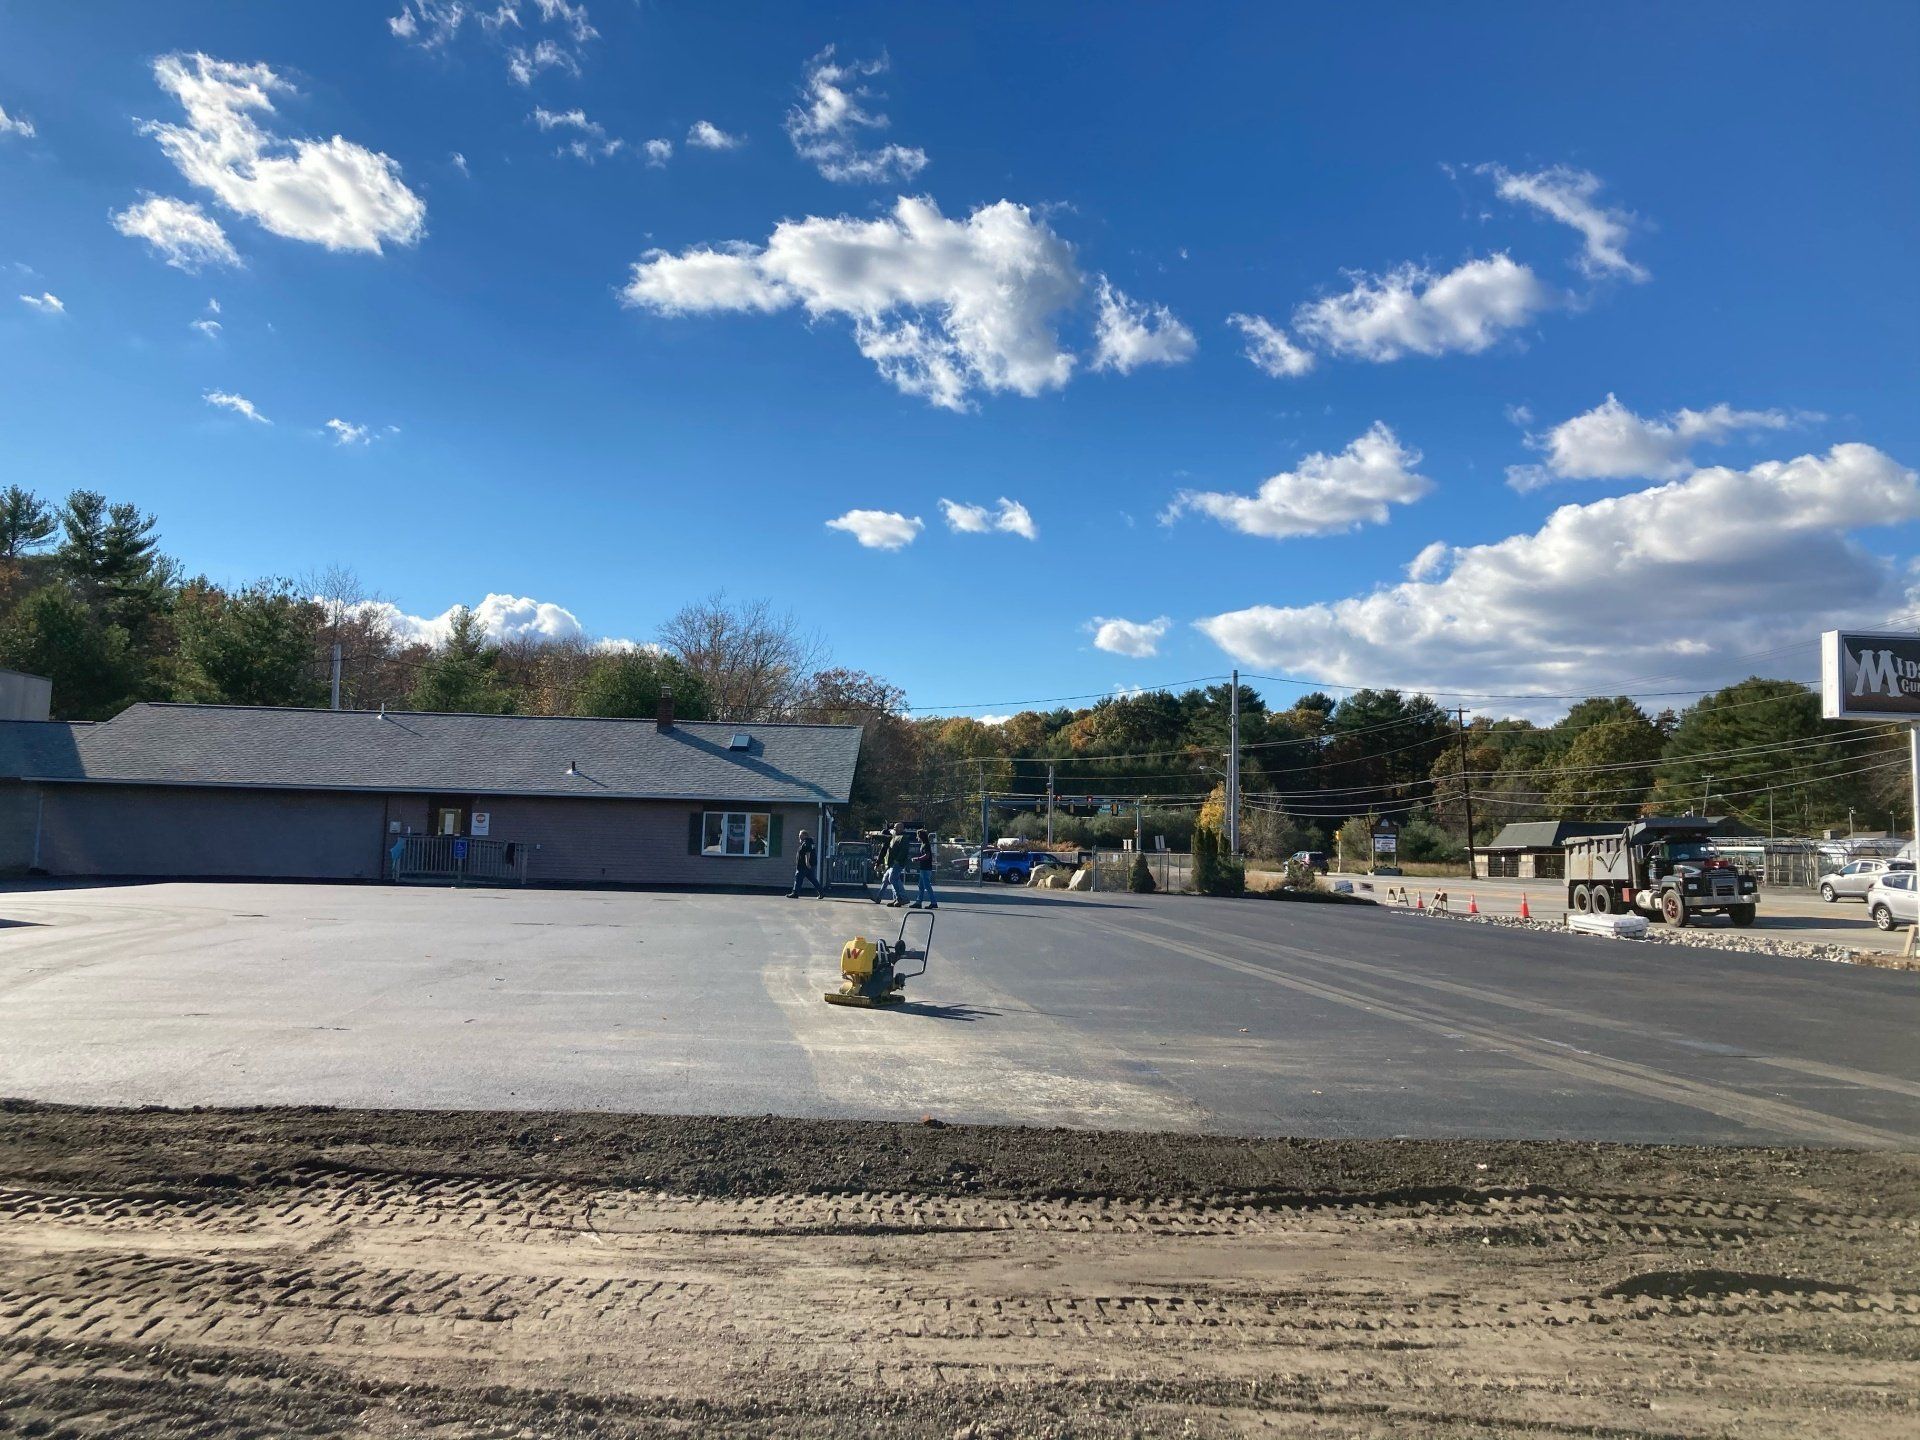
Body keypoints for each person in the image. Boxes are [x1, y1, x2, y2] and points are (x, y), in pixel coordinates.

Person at [877, 824, 913, 907]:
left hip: (897, 863)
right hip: (891, 863)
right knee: (886, 879)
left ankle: (900, 898)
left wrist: (897, 860)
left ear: (901, 828)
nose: (894, 829)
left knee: (892, 878)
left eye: (896, 828)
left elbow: (903, 851)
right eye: (894, 828)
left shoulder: (903, 838)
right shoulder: (893, 837)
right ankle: (879, 898)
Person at [788, 829, 825, 899]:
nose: (799, 836)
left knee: (798, 878)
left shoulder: (807, 842)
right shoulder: (809, 842)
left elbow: (807, 853)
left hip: (804, 866)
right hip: (809, 866)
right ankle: (821, 892)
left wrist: (807, 863)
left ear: (804, 835)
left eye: (800, 835)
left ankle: (795, 893)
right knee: (813, 880)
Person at [873, 823, 903, 906]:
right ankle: (878, 898)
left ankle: (899, 898)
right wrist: (879, 863)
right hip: (889, 865)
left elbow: (882, 853)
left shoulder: (889, 840)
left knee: (893, 881)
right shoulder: (889, 841)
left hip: (893, 865)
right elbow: (882, 854)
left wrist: (872, 835)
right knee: (886, 881)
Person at [912, 828, 938, 909]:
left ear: (921, 836)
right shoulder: (923, 844)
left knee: (927, 886)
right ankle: (918, 902)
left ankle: (933, 902)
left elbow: (927, 856)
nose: (917, 837)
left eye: (918, 836)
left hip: (926, 868)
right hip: (923, 868)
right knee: (921, 886)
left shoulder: (926, 844)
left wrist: (918, 859)